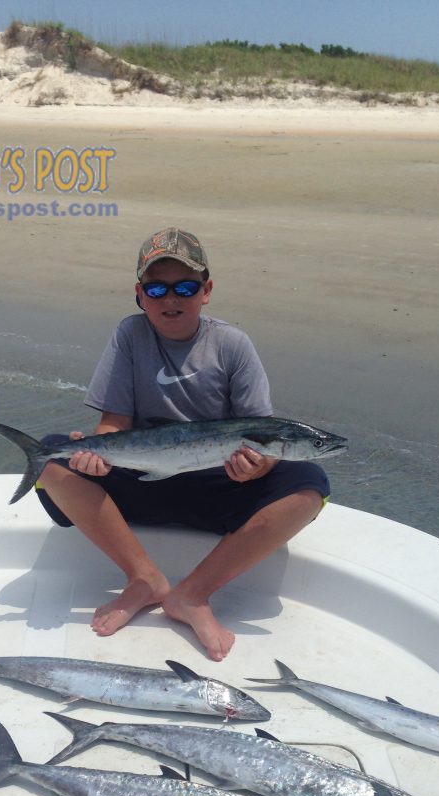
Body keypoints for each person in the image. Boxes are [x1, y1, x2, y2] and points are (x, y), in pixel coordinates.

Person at [35, 227, 330, 661]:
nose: (170, 298)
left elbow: (263, 437)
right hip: (144, 476)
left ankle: (192, 595)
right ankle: (143, 580)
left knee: (310, 484)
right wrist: (99, 454)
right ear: (139, 294)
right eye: (157, 288)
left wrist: (257, 468)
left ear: (206, 290)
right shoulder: (129, 336)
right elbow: (113, 424)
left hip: (217, 481)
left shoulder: (232, 344)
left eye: (185, 287)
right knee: (51, 458)